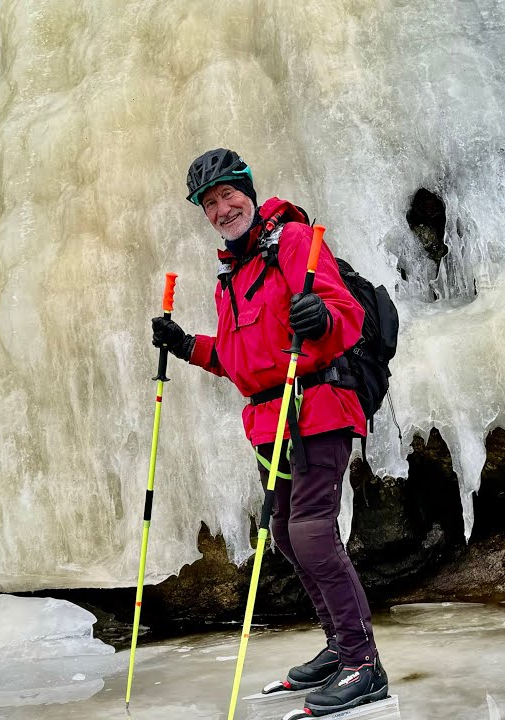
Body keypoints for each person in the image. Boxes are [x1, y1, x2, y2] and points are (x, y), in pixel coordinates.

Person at [151, 149, 388, 715]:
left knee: (310, 532)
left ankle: (363, 665)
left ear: (248, 191)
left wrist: (322, 318)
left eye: (229, 195)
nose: (222, 208)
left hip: (316, 408)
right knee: (286, 533)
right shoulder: (231, 274)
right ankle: (337, 648)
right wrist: (186, 345)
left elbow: (344, 313)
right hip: (268, 420)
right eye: (210, 203)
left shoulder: (295, 242)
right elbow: (242, 360)